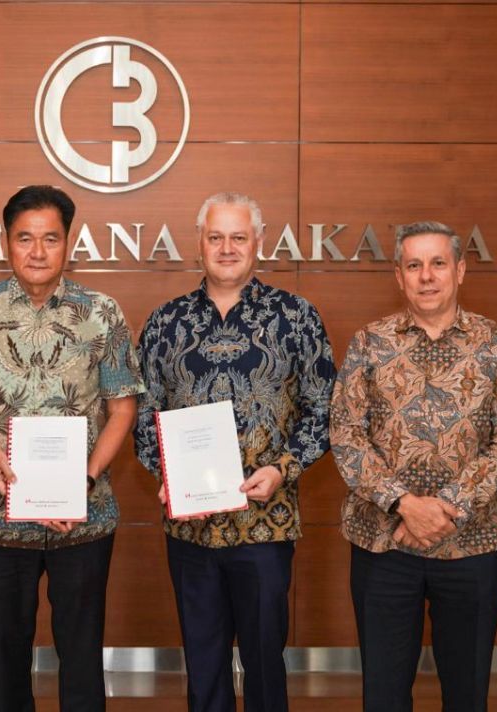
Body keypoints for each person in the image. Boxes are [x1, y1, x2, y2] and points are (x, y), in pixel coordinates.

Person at [0, 185, 144, 712]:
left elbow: (123, 408)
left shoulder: (102, 313)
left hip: (85, 518)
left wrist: (84, 479)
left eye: (51, 238)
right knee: (5, 661)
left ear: (69, 242)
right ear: (6, 242)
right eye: (25, 238)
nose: (38, 251)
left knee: (82, 659)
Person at [133, 192, 336, 712]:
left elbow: (323, 412)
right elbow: (142, 416)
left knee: (266, 660)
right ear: (198, 244)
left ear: (258, 244)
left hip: (266, 523)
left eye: (238, 237)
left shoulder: (297, 317)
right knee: (203, 663)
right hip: (191, 526)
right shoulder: (164, 323)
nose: (227, 248)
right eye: (216, 237)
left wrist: (282, 470)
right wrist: (167, 476)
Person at [331, 221, 497, 712]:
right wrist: (404, 505)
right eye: (414, 265)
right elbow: (346, 435)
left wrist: (447, 508)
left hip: (474, 544)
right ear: (399, 276)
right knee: (383, 693)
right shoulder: (369, 343)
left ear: (459, 271)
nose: (427, 276)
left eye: (438, 263)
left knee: (466, 694)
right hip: (384, 543)